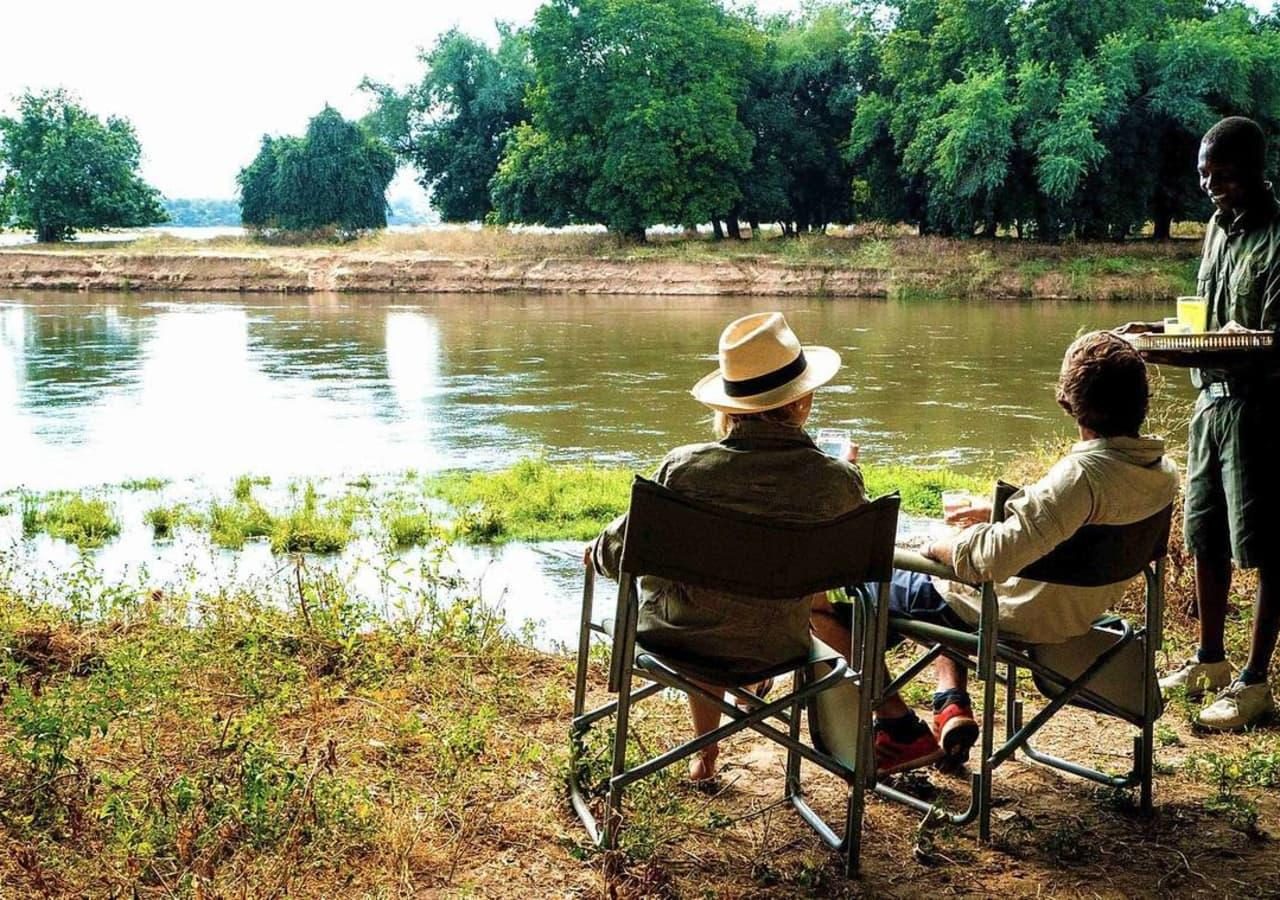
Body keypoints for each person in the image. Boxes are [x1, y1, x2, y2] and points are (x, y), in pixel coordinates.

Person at [812, 331, 1179, 773]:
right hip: (1076, 608)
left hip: (1010, 610)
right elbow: (1085, 515)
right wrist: (1005, 508)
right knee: (950, 578)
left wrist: (938, 543)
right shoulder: (1160, 470)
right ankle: (951, 702)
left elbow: (987, 561)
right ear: (1143, 398)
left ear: (1068, 400)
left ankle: (898, 726)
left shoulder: (1082, 473)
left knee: (832, 590)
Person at [585, 311, 866, 782]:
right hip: (783, 641)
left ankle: (705, 755)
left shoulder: (685, 468)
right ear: (803, 400)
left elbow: (618, 553)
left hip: (682, 640)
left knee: (702, 603)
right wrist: (845, 471)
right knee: (738, 605)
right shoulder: (837, 481)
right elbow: (846, 570)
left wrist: (596, 550)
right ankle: (745, 690)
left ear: (729, 406)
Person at [1120, 116, 1279, 730]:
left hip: (1262, 411)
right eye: (1204, 174)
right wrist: (1157, 335)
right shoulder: (1216, 228)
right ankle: (1210, 659)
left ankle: (1255, 681)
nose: (1212, 186)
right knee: (1204, 533)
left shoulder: (1278, 238)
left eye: (1224, 173)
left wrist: (1178, 352)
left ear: (1256, 168)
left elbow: (1270, 343)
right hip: (1209, 404)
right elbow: (1206, 320)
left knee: (1268, 547)